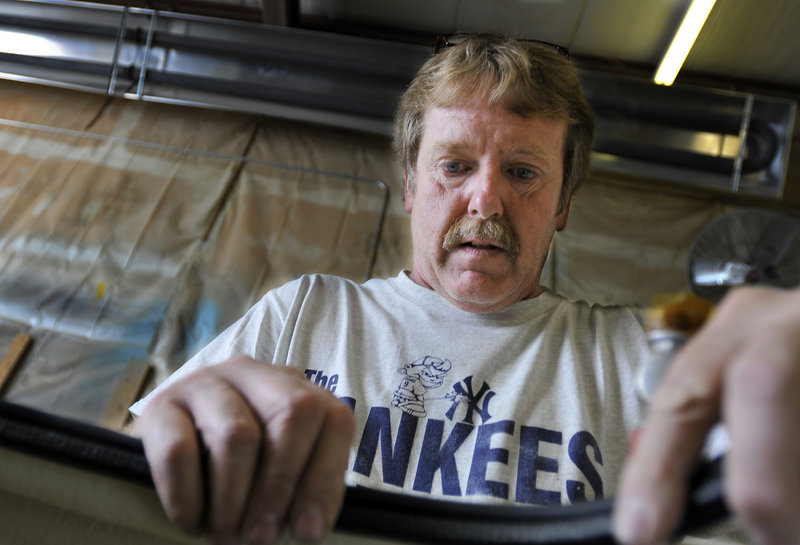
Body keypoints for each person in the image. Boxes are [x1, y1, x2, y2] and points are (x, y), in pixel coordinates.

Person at [131, 34, 800, 545]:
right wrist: (173, 444)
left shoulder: (635, 352)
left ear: (564, 201)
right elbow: (126, 488)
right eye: (455, 165)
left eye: (523, 172)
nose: (486, 199)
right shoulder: (304, 313)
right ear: (413, 187)